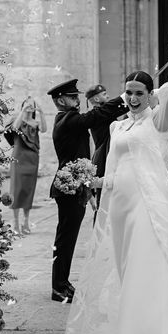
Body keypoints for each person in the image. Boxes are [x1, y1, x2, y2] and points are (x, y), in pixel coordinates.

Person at [61, 28, 168, 334]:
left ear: (149, 94)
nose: (133, 97)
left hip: (151, 208)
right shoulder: (116, 128)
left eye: (140, 92)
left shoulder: (159, 121)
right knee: (127, 279)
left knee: (150, 276)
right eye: (129, 92)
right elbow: (115, 171)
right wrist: (92, 181)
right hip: (120, 210)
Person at [47, 79, 127, 302]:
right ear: (61, 100)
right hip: (68, 187)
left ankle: (62, 283)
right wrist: (124, 97)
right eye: (73, 97)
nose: (77, 101)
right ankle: (58, 287)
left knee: (67, 238)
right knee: (65, 239)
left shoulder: (68, 119)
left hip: (74, 185)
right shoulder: (68, 119)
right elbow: (95, 116)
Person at [7, 96, 46, 234]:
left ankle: (26, 222)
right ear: (23, 105)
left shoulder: (35, 122)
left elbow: (44, 129)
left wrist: (41, 112)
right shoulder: (17, 119)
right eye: (27, 104)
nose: (30, 106)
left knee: (29, 190)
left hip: (32, 158)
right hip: (19, 157)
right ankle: (16, 222)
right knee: (16, 189)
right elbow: (14, 128)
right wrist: (22, 111)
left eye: (32, 104)